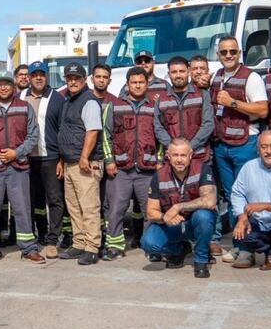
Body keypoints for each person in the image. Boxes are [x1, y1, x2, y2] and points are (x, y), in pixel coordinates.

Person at [209, 36, 268, 255]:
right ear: (218, 55)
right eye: (224, 52)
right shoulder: (217, 77)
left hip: (245, 144)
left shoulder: (251, 78)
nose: (228, 56)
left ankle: (250, 246)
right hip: (222, 145)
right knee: (232, 195)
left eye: (232, 51)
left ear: (239, 53)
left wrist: (232, 103)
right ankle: (239, 244)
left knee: (248, 195)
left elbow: (262, 110)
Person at [0, 73, 43, 264]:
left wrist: (17, 153)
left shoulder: (24, 108)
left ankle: (29, 248)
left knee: (22, 208)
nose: (3, 88)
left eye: (7, 85)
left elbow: (33, 136)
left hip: (18, 167)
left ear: (14, 87)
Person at [102, 67, 158, 260]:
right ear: (127, 85)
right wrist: (109, 160)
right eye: (134, 82)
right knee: (116, 209)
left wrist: (158, 160)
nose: (137, 85)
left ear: (147, 84)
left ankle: (154, 247)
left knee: (150, 211)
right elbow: (105, 135)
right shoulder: (114, 106)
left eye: (141, 82)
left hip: (147, 169)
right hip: (121, 169)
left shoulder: (154, 107)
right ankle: (115, 246)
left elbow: (161, 136)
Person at [142, 139, 217, 278]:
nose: (179, 160)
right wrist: (164, 217)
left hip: (194, 223)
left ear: (190, 155)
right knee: (148, 243)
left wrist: (177, 207)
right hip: (172, 224)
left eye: (183, 155)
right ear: (168, 156)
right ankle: (179, 249)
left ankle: (201, 259)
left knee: (204, 216)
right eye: (175, 155)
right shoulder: (158, 176)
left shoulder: (203, 169)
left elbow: (210, 201)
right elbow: (151, 212)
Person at [56, 63, 104, 266]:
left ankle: (92, 247)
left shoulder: (89, 101)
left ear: (85, 80)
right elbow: (66, 132)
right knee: (74, 207)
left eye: (76, 78)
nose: (72, 81)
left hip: (85, 163)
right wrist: (62, 161)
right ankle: (79, 242)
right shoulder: (69, 100)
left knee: (89, 207)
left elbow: (92, 131)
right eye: (69, 78)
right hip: (70, 162)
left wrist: (84, 157)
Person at [230, 131, 271, 274]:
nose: (269, 151)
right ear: (258, 149)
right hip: (258, 223)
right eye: (264, 147)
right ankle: (270, 252)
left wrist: (266, 206)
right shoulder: (249, 167)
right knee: (240, 232)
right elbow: (237, 193)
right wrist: (242, 216)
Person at [20, 61, 64, 258]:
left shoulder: (57, 98)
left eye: (42, 74)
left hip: (50, 157)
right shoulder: (21, 96)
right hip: (27, 158)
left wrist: (62, 159)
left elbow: (64, 131)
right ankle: (39, 234)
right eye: (34, 74)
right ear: (28, 77)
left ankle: (52, 239)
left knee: (54, 199)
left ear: (47, 77)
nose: (38, 77)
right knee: (33, 200)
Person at [155, 56, 214, 163]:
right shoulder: (161, 99)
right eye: (174, 72)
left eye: (182, 71)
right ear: (169, 74)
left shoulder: (202, 94)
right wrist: (174, 148)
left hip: (199, 156)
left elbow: (208, 124)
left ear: (189, 72)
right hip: (173, 159)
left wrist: (189, 148)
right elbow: (158, 127)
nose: (178, 75)